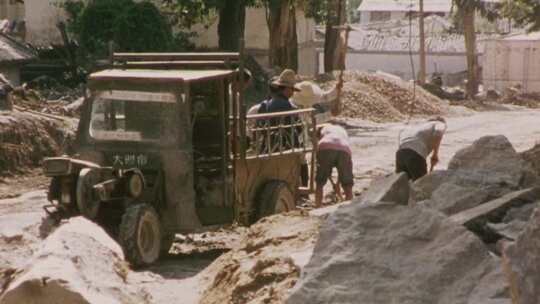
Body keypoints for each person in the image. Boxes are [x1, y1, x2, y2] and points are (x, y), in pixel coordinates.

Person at [396, 116, 447, 181]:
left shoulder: (420, 126)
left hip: (400, 153)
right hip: (414, 153)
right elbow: (438, 132)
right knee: (421, 185)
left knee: (402, 185)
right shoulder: (439, 123)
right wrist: (435, 154)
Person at [315, 123, 354, 207]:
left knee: (320, 182)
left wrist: (336, 184)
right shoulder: (341, 130)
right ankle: (350, 207)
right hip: (344, 148)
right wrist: (336, 184)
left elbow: (325, 167)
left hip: (325, 146)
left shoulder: (322, 130)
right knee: (347, 184)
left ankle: (317, 206)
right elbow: (343, 170)